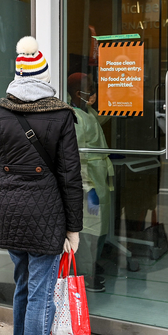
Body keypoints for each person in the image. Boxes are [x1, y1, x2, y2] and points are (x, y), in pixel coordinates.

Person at [0, 36, 83, 335]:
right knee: (41, 293)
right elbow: (71, 177)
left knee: (24, 283)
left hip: (11, 214)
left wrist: (11, 199)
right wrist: (73, 228)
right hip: (46, 217)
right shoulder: (60, 114)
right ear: (43, 74)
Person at [68, 72, 114, 293]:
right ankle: (85, 273)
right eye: (91, 89)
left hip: (97, 179)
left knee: (98, 225)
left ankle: (91, 266)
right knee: (89, 228)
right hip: (89, 184)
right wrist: (88, 188)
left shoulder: (87, 113)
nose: (94, 92)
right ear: (79, 93)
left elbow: (98, 119)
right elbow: (77, 156)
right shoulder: (74, 117)